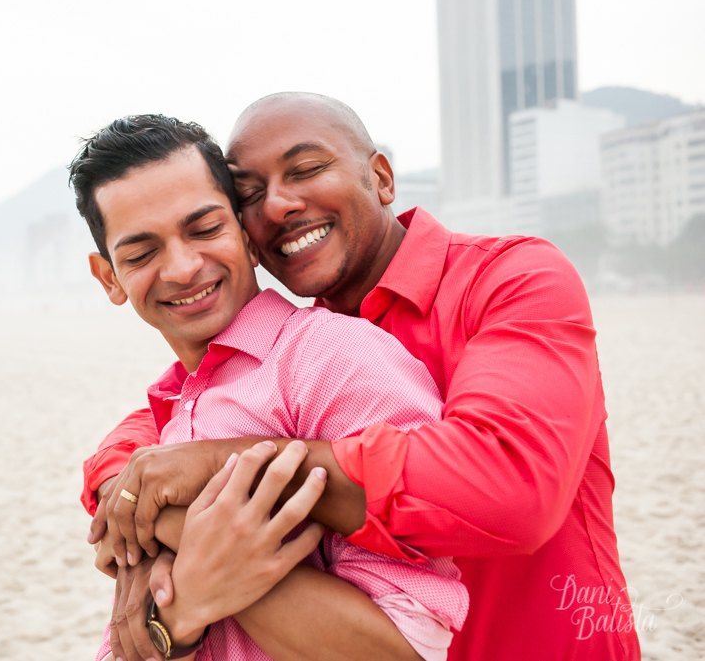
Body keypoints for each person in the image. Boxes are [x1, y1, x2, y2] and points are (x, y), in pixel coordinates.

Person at [84, 93, 640, 661]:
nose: (277, 206)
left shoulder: (508, 280)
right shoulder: (289, 351)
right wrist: (132, 501)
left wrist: (205, 484)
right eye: (250, 194)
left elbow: (510, 489)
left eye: (306, 169)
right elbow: (163, 418)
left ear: (381, 178)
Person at [70, 114, 469, 661]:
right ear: (109, 277)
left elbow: (410, 647)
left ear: (248, 236)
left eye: (204, 229)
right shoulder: (177, 404)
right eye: (141, 254)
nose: (183, 268)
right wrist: (176, 621)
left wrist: (183, 540)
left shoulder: (330, 358)